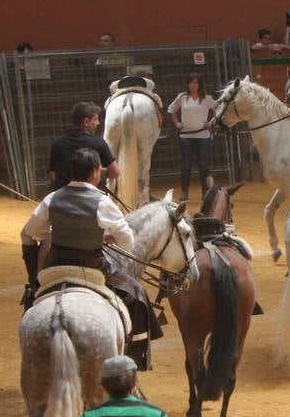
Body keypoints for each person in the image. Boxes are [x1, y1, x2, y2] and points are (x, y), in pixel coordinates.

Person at [21, 148, 157, 367]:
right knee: (137, 293)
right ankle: (136, 357)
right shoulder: (102, 202)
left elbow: (33, 232)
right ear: (95, 172)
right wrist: (105, 237)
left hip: (56, 267)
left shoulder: (52, 199)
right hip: (93, 268)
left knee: (32, 297)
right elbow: (126, 240)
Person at [167, 74, 217, 201]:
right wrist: (177, 123)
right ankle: (184, 191)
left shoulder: (207, 98)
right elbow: (171, 110)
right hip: (185, 136)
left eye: (195, 82)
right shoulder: (182, 97)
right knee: (186, 165)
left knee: (203, 164)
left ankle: (205, 192)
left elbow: (219, 109)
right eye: (190, 82)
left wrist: (211, 123)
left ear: (200, 84)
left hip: (203, 136)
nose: (192, 85)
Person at [48, 102, 120, 191]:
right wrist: (100, 171)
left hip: (63, 197)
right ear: (86, 122)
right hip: (91, 198)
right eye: (95, 119)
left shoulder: (57, 144)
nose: (98, 123)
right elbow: (115, 172)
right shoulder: (99, 143)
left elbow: (53, 174)